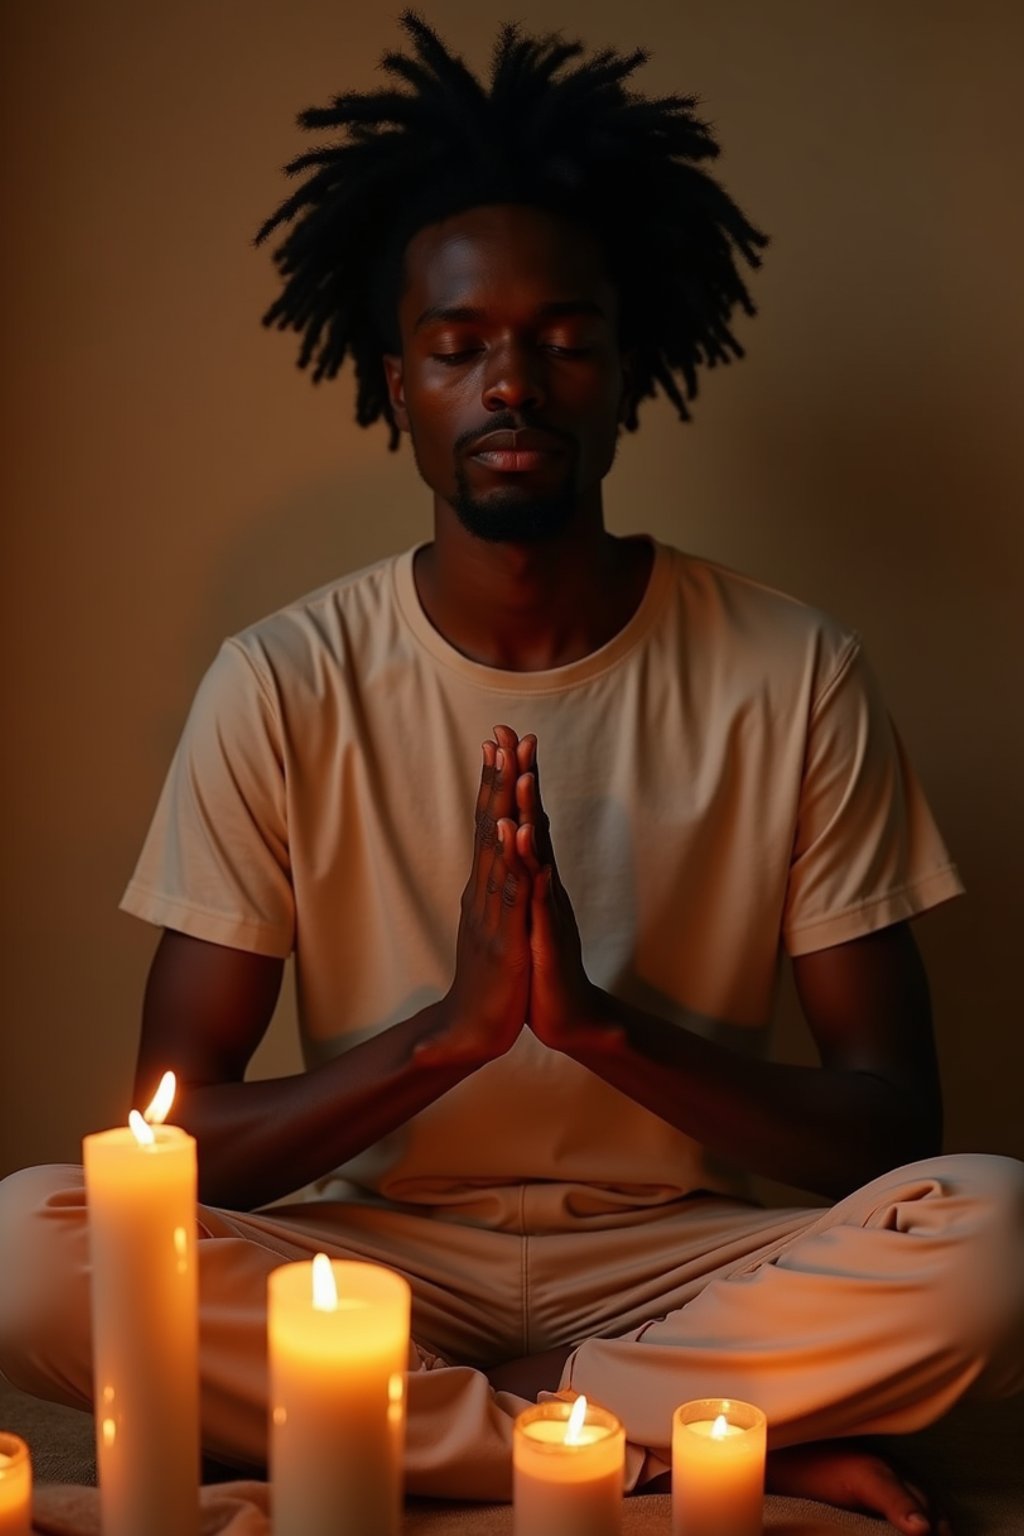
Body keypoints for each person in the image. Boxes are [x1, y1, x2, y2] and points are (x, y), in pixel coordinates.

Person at [1, 15, 1021, 1532]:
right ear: (395, 378)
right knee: (34, 1242)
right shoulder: (283, 680)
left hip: (687, 1260)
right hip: (382, 1263)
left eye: (561, 338)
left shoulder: (792, 669)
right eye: (460, 344)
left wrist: (601, 1034)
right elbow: (183, 1131)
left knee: (996, 1237)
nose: (511, 383)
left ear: (631, 364)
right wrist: (448, 1042)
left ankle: (431, 1441)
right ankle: (676, 1446)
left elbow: (888, 1120)